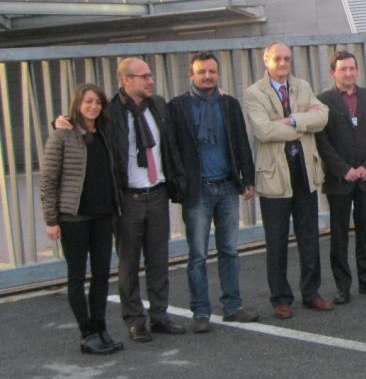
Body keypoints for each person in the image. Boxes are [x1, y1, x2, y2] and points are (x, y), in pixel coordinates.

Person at [169, 52, 260, 333]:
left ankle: (233, 306)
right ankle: (201, 312)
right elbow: (172, 149)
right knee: (197, 254)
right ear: (191, 75)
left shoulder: (229, 104)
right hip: (197, 192)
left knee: (229, 251)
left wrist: (247, 178)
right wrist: (180, 185)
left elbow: (241, 142)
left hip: (227, 187)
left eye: (211, 71)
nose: (207, 76)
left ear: (218, 74)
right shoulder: (178, 107)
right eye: (201, 72)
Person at [243, 42, 331, 319]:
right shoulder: (253, 93)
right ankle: (280, 298)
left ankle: (311, 293)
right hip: (275, 176)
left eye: (287, 59)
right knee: (277, 240)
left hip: (304, 171)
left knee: (309, 236)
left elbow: (323, 117)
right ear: (266, 60)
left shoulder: (302, 86)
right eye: (278, 59)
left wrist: (291, 121)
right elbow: (263, 130)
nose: (283, 63)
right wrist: (301, 125)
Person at [41, 84, 123, 355]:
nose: (93, 106)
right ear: (78, 104)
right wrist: (51, 220)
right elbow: (49, 180)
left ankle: (101, 328)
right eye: (88, 102)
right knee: (76, 276)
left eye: (97, 102)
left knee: (101, 275)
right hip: (73, 218)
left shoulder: (103, 133)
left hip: (102, 215)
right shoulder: (62, 135)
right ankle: (86, 333)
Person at [111, 57, 188, 340]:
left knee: (159, 260)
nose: (150, 80)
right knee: (129, 264)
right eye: (143, 76)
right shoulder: (112, 113)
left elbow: (170, 145)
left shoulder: (158, 106)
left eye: (150, 75)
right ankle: (134, 320)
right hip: (128, 199)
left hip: (157, 193)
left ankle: (159, 316)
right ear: (126, 80)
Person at [315, 50, 366, 304]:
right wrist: (343, 169)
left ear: (357, 70)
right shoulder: (322, 101)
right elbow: (322, 141)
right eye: (343, 69)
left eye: (352, 68)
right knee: (339, 235)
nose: (348, 73)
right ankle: (342, 286)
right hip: (340, 180)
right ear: (332, 72)